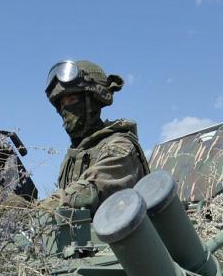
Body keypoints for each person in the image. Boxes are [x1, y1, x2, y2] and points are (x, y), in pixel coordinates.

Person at [44, 60, 150, 214]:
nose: (66, 109)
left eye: (72, 100)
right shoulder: (72, 157)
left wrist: (36, 209)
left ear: (93, 100)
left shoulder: (119, 147)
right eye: (62, 104)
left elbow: (88, 193)